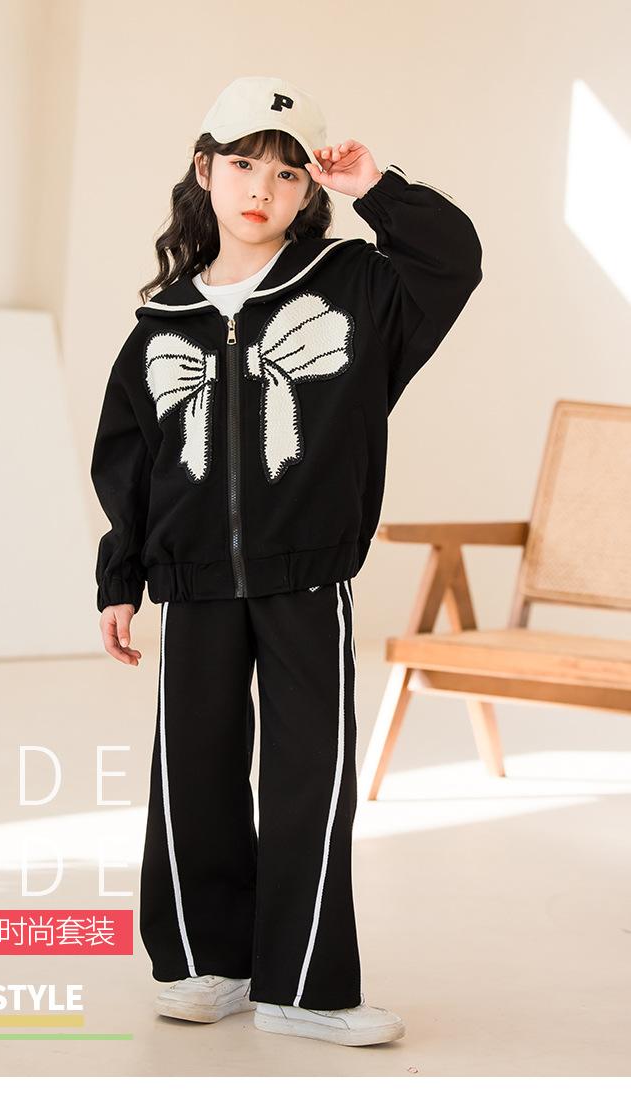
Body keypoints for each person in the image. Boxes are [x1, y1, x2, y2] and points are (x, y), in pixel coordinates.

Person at [90, 75, 483, 1046]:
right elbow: (130, 460)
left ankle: (303, 988)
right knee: (195, 774)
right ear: (204, 171)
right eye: (241, 165)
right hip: (194, 585)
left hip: (307, 576)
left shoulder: (355, 286)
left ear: (309, 189)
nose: (260, 188)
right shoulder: (162, 321)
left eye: (285, 172)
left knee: (312, 778)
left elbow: (453, 258)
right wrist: (121, 578)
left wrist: (375, 188)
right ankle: (205, 965)